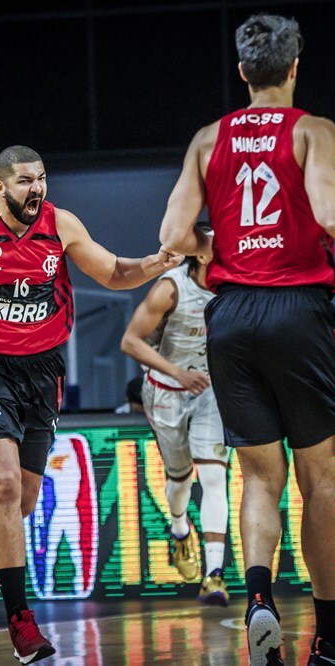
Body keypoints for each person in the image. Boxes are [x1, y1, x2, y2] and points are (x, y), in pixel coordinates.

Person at [158, 14, 335, 666]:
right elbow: (329, 211)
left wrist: (216, 248)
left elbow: (173, 235)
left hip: (230, 314)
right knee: (320, 477)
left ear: (242, 71)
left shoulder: (208, 139)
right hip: (298, 310)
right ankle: (329, 638)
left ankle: (260, 600)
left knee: (259, 478)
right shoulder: (313, 130)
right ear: (295, 67)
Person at [0, 145, 182, 665]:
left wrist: (154, 264)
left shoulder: (61, 225)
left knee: (24, 504)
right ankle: (21, 620)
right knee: (7, 486)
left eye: (40, 179)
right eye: (23, 181)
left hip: (41, 370)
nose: (35, 189)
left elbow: (113, 273)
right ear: (0, 187)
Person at [120, 250, 231, 607]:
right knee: (179, 481)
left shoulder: (232, 285)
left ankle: (214, 575)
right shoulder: (170, 288)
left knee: (215, 478)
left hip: (211, 389)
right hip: (167, 390)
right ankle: (180, 527)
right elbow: (130, 341)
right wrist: (178, 372)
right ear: (199, 253)